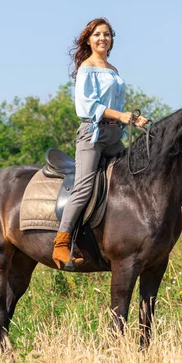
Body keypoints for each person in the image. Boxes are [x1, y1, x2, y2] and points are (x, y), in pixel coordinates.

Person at [52, 17, 149, 269]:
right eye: (97, 35)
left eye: (106, 34)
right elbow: (86, 106)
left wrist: (133, 119)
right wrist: (121, 116)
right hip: (92, 135)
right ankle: (61, 243)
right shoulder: (87, 67)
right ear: (88, 39)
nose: (102, 38)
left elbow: (115, 108)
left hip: (114, 135)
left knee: (133, 176)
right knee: (84, 187)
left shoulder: (113, 70)